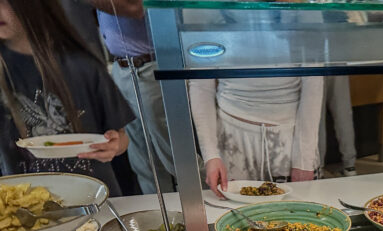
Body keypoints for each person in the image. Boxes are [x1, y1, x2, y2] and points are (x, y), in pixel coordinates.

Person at [0, 0, 134, 196]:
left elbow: (121, 138)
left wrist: (113, 146)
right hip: (22, 211)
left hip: (93, 202)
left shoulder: (83, 66)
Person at [90, 0, 178, 195]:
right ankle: (163, 220)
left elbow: (135, 7)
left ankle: (210, 213)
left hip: (150, 66)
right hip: (122, 68)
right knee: (143, 162)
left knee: (175, 155)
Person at [190, 76, 324, 197]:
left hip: (290, 142)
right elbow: (201, 85)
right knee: (232, 219)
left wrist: (303, 159)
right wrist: (211, 155)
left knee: (299, 219)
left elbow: (313, 82)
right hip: (231, 143)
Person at [319, 76, 358, 177]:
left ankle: (318, 167)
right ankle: (350, 166)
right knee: (343, 114)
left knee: (318, 119)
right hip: (338, 63)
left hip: (312, 65)